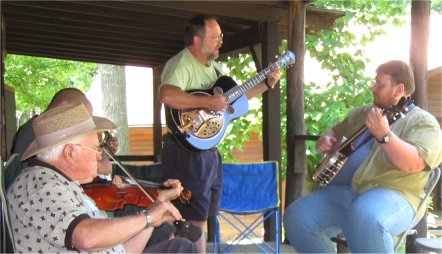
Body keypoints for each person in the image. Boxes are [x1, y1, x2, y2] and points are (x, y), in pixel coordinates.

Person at [283, 60, 442, 253]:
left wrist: (384, 136)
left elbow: (413, 164)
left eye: (380, 85)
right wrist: (326, 138)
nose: (373, 89)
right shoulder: (367, 112)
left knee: (366, 216)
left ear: (399, 90)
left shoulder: (423, 122)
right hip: (351, 190)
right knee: (297, 216)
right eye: (375, 83)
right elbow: (336, 129)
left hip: (399, 195)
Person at [159, 14, 281, 253]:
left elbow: (232, 104)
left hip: (207, 153)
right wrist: (206, 104)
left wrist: (266, 84)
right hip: (187, 153)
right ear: (197, 39)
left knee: (202, 215)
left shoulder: (215, 69)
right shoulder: (181, 64)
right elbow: (167, 96)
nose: (221, 41)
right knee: (191, 219)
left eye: (221, 37)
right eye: (215, 37)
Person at [6, 103, 196, 253]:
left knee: (181, 247)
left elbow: (123, 251)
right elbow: (85, 238)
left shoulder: (63, 183)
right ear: (71, 153)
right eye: (96, 149)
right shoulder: (40, 184)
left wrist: (153, 214)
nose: (99, 156)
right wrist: (146, 218)